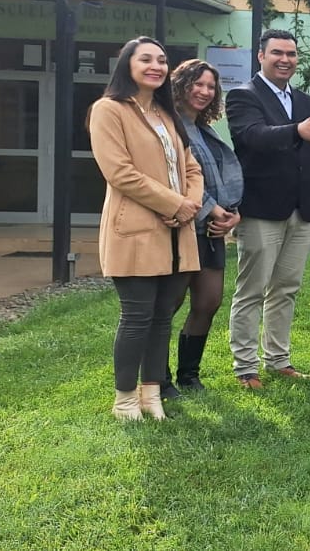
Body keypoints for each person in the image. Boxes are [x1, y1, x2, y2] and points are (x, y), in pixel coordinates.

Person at [89, 36, 203, 420]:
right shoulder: (109, 110)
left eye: (162, 60)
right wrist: (174, 204)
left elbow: (192, 167)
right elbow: (120, 173)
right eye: (146, 59)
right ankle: (124, 400)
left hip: (177, 232)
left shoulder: (166, 113)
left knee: (161, 318)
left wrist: (189, 205)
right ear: (127, 65)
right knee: (137, 317)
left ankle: (151, 394)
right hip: (135, 229)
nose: (156, 66)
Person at [226, 28, 310, 389]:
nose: (285, 60)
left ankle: (279, 359)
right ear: (261, 56)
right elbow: (253, 136)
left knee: (286, 288)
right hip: (261, 209)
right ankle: (245, 367)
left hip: (301, 212)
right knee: (252, 290)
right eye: (277, 53)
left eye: (291, 54)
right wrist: (297, 131)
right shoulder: (242, 96)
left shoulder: (304, 100)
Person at [168, 58, 243, 391]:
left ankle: (189, 374)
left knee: (208, 301)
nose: (203, 91)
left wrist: (232, 213)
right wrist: (211, 211)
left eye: (210, 86)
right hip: (181, 228)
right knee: (167, 306)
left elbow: (220, 178)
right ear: (180, 85)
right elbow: (176, 179)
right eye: (197, 83)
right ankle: (158, 377)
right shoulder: (170, 125)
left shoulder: (202, 127)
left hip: (212, 231)